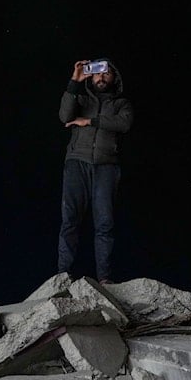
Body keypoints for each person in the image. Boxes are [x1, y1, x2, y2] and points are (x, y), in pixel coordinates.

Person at [57, 57, 133, 284]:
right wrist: (74, 81)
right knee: (70, 220)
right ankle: (63, 276)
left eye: (106, 72)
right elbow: (64, 116)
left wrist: (88, 121)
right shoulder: (80, 98)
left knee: (104, 223)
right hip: (77, 162)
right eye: (97, 71)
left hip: (106, 166)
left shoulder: (121, 104)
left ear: (114, 78)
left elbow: (124, 124)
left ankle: (105, 279)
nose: (101, 76)